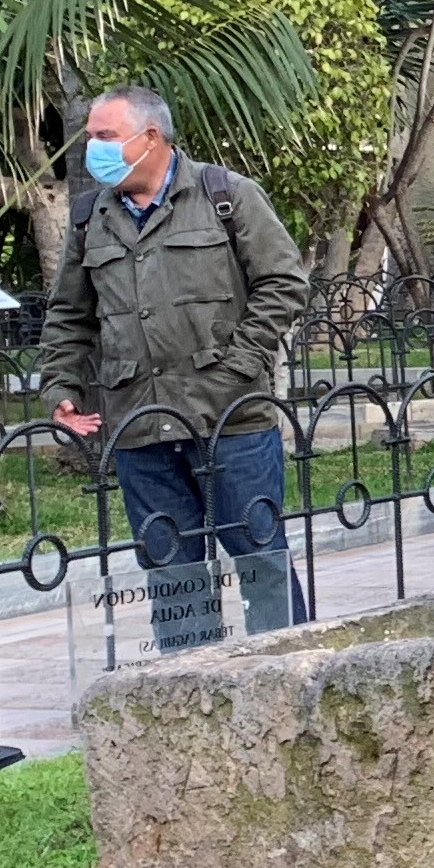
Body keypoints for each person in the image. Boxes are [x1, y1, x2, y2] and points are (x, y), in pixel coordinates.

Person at [42, 86, 313, 653]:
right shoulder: (91, 215)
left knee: (260, 558)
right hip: (139, 422)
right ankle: (188, 690)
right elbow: (70, 312)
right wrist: (62, 386)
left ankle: (293, 674)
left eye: (105, 137)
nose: (93, 149)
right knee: (172, 572)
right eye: (90, 137)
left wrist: (237, 367)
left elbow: (283, 282)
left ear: (151, 138)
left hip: (229, 418)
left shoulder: (226, 195)